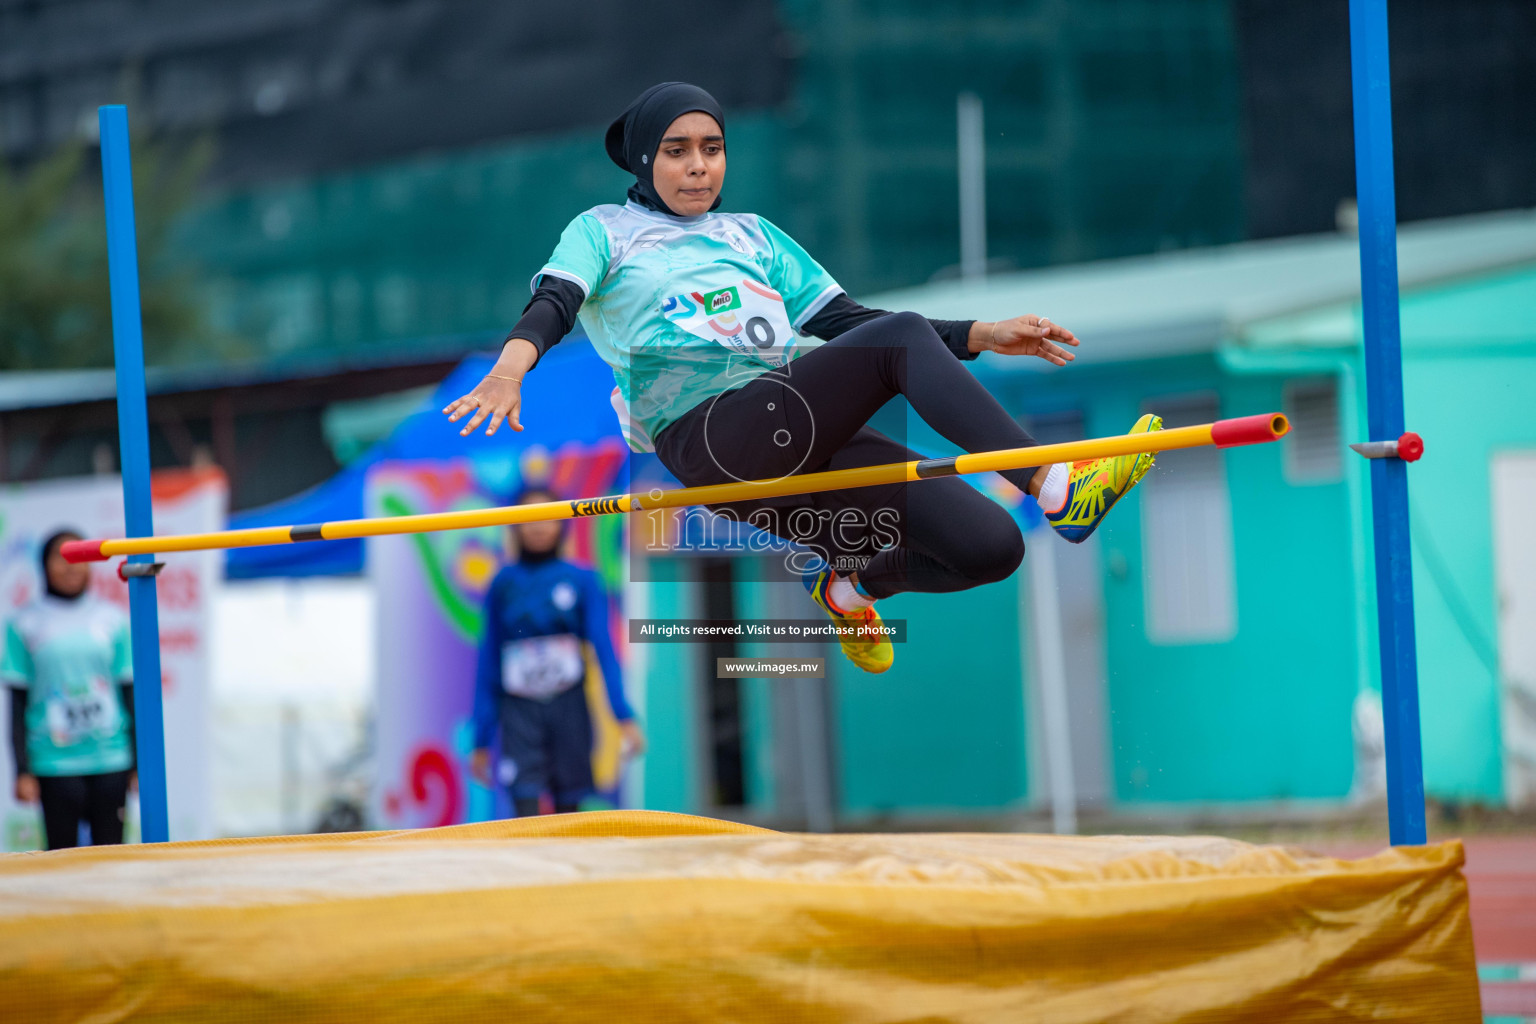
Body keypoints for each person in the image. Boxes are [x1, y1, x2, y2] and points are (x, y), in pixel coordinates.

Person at [444, 82, 1161, 675]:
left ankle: (847, 587)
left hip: (799, 426)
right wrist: (512, 368)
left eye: (713, 149)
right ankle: (1058, 488)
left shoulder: (753, 235)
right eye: (677, 152)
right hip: (716, 437)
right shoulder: (604, 230)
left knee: (992, 547)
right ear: (642, 159)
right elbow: (554, 303)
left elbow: (852, 324)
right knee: (903, 336)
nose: (699, 167)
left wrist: (982, 335)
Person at [470, 487, 644, 816]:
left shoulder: (583, 580)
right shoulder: (502, 584)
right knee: (524, 808)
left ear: (562, 525)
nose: (538, 527)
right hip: (519, 712)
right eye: (528, 518)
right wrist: (481, 739)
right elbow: (488, 663)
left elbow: (604, 649)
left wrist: (624, 715)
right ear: (513, 525)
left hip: (570, 708)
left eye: (547, 517)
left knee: (569, 809)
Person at [4, 529, 136, 850]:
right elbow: (17, 702)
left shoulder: (113, 619)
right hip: (54, 763)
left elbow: (129, 694)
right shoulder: (24, 623)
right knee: (62, 858)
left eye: (79, 558)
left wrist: (137, 764)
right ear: (44, 566)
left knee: (113, 856)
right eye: (61, 558)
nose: (71, 567)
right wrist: (22, 770)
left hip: (111, 758)